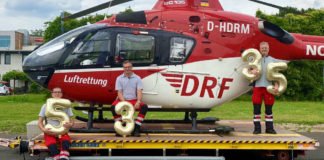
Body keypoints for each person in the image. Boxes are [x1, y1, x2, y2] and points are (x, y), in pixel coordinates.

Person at [111, 60, 148, 137]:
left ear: (132, 68)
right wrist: (125, 103)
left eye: (129, 67)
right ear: (123, 68)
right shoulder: (119, 78)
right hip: (122, 100)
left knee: (144, 107)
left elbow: (139, 91)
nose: (127, 69)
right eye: (125, 67)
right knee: (113, 107)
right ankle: (120, 127)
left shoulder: (137, 78)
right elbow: (119, 92)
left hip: (133, 100)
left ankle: (136, 128)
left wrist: (138, 101)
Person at [250, 42, 279, 134]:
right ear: (259, 49)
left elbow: (277, 74)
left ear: (269, 49)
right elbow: (247, 69)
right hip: (257, 87)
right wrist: (252, 70)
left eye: (266, 48)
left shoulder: (273, 60)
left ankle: (269, 128)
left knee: (269, 109)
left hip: (269, 88)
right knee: (256, 109)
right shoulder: (254, 59)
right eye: (262, 48)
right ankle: (257, 129)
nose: (264, 49)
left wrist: (276, 84)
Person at [38, 87, 74, 160]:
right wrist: (43, 130)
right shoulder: (45, 106)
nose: (57, 93)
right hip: (50, 131)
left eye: (59, 92)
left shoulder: (66, 106)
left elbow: (72, 120)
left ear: (61, 94)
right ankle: (56, 156)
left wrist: (70, 124)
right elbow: (39, 121)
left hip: (62, 131)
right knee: (50, 143)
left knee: (66, 140)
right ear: (52, 94)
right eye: (55, 92)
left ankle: (64, 155)